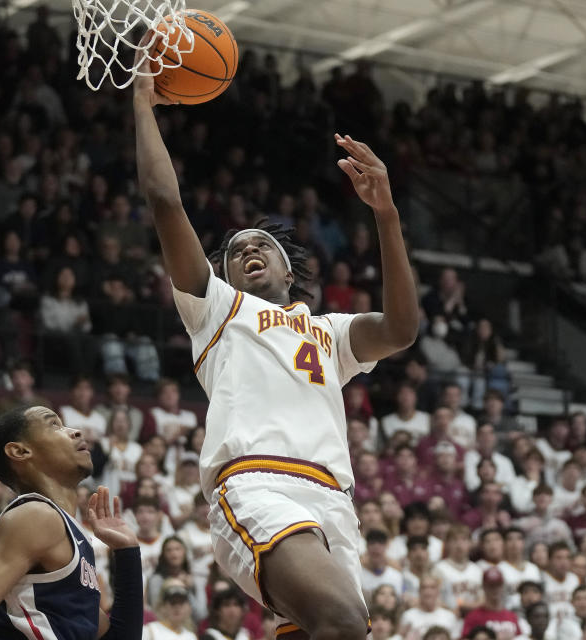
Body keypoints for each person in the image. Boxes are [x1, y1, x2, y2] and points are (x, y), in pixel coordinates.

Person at [135, 50, 418, 639]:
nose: (246, 249)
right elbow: (166, 201)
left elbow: (401, 330)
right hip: (257, 484)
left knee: (330, 632)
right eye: (235, 250)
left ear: (290, 272)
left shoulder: (331, 331)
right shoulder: (216, 309)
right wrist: (141, 100)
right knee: (342, 623)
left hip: (333, 504)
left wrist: (386, 215)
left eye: (261, 244)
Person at [0, 406, 143, 640]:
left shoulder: (69, 532)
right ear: (20, 451)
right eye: (54, 425)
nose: (75, 432)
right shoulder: (35, 516)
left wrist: (127, 551)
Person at [461, 568, 530, 640]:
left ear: (503, 586)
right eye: (491, 586)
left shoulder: (511, 616)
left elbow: (520, 637)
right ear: (484, 587)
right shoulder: (473, 617)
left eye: (498, 585)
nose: (495, 589)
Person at [432, 525, 482, 616]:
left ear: (471, 543)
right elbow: (434, 599)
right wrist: (451, 610)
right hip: (448, 618)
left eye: (464, 540)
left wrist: (468, 607)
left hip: (474, 619)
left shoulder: (477, 570)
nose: (459, 545)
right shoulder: (439, 569)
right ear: (446, 544)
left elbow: (483, 599)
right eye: (454, 540)